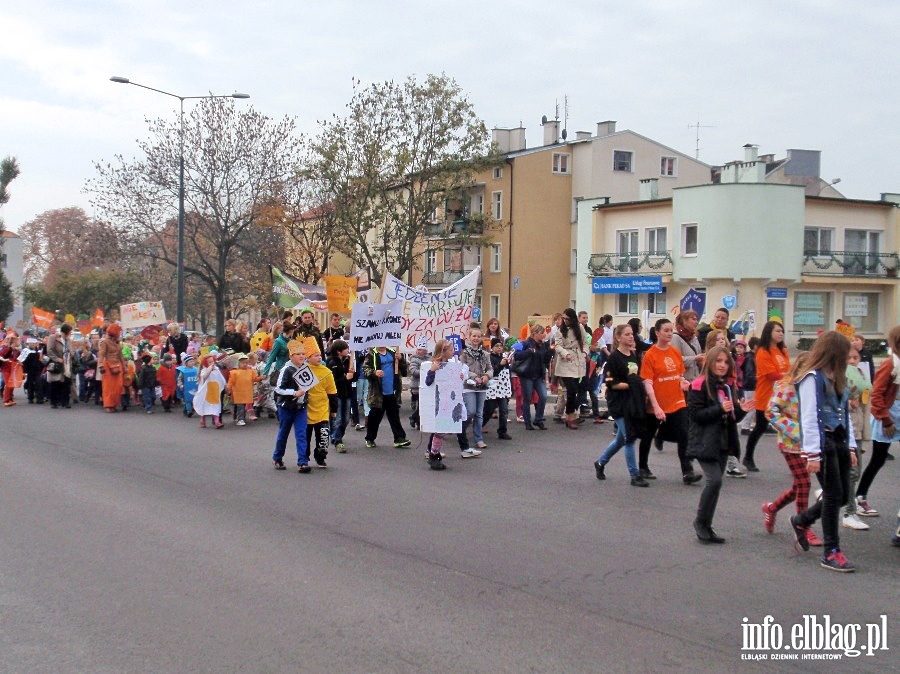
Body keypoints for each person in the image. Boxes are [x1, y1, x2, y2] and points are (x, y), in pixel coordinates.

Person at [789, 331, 858, 572]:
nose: (849, 360)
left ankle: (801, 520)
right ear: (834, 353)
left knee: (840, 496)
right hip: (822, 443)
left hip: (838, 440)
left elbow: (845, 414)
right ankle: (831, 551)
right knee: (832, 496)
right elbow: (808, 417)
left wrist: (850, 445)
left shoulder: (837, 377)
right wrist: (813, 454)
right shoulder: (812, 378)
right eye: (845, 355)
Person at [687, 345, 755, 543]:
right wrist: (719, 409)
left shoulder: (724, 386)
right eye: (718, 361)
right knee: (714, 480)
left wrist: (741, 410)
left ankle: (707, 525)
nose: (723, 365)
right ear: (709, 362)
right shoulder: (699, 384)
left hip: (723, 441)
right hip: (704, 441)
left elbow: (731, 416)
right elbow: (695, 415)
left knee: (716, 484)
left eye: (726, 362)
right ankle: (700, 523)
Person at [763, 352, 824, 545]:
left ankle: (772, 508)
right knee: (804, 483)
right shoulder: (786, 386)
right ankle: (803, 527)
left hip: (809, 445)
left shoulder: (815, 387)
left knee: (799, 485)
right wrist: (796, 431)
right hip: (791, 444)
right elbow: (770, 411)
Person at [639, 318, 702, 484]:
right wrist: (655, 406)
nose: (669, 333)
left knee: (684, 434)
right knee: (648, 435)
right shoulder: (650, 355)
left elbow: (679, 374)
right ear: (657, 332)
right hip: (658, 402)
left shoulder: (674, 352)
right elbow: (648, 382)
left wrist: (683, 382)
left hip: (677, 400)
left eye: (670, 330)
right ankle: (643, 466)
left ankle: (687, 472)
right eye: (665, 330)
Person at [593, 324, 649, 487]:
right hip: (618, 403)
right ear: (618, 338)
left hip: (632, 402)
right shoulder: (613, 358)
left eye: (632, 334)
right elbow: (610, 383)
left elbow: (637, 376)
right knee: (630, 438)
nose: (631, 337)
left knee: (620, 440)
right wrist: (631, 384)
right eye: (627, 334)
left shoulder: (633, 355)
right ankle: (635, 475)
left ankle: (600, 462)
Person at [855, 325, 900, 517]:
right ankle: (860, 497)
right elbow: (877, 394)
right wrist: (886, 420)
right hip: (889, 414)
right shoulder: (891, 364)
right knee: (878, 459)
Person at [743, 321, 791, 472]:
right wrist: (790, 376)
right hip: (767, 395)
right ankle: (748, 457)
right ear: (769, 332)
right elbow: (771, 374)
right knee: (760, 427)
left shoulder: (783, 350)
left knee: (788, 429)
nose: (781, 333)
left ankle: (794, 460)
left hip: (783, 396)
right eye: (777, 331)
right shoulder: (763, 351)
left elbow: (788, 370)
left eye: (782, 331)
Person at [271, 341, 311, 472]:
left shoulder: (306, 368)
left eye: (303, 354)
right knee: (284, 432)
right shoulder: (286, 369)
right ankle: (277, 458)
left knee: (301, 433)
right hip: (286, 407)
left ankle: (302, 462)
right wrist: (294, 392)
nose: (301, 356)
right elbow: (279, 389)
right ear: (291, 356)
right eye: (298, 354)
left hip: (301, 407)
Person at [363, 345, 411, 448]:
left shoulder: (393, 352)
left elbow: (405, 369)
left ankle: (399, 438)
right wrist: (374, 372)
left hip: (392, 391)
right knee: (375, 418)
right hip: (378, 393)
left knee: (394, 417)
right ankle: (370, 438)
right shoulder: (372, 354)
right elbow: (365, 369)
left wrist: (401, 359)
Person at [513, 324, 552, 431]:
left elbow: (546, 359)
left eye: (544, 332)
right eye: (541, 333)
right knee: (527, 399)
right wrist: (528, 352)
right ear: (534, 334)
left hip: (539, 375)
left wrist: (550, 351)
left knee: (543, 396)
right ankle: (527, 422)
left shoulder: (543, 345)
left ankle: (538, 419)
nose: (543, 335)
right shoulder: (525, 343)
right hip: (527, 375)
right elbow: (516, 355)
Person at [459, 327, 493, 448]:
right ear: (469, 337)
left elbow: (490, 368)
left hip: (482, 386)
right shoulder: (464, 353)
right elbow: (462, 368)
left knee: (479, 413)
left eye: (478, 336)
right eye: (474, 336)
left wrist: (487, 376)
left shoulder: (485, 354)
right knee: (471, 411)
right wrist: (474, 376)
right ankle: (461, 429)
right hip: (469, 386)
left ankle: (478, 438)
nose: (476, 338)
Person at [304, 344, 337, 467]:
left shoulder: (327, 372)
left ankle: (320, 457)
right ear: (308, 357)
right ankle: (304, 458)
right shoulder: (303, 369)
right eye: (316, 355)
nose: (319, 358)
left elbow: (332, 392)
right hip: (306, 409)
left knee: (323, 436)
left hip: (322, 409)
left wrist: (334, 410)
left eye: (320, 355)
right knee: (305, 438)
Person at [554, 308, 587, 430]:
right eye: (564, 318)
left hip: (577, 359)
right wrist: (564, 353)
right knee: (571, 389)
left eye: (567, 319)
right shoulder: (560, 331)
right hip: (565, 362)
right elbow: (557, 345)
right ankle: (570, 415)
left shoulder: (579, 328)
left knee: (576, 389)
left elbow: (585, 342)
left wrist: (585, 354)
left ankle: (569, 415)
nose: (565, 321)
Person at [482, 338, 513, 440]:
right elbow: (492, 372)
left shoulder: (504, 357)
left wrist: (510, 388)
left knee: (504, 410)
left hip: (503, 389)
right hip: (493, 389)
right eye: (496, 346)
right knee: (489, 411)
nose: (499, 348)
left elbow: (507, 375)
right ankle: (479, 426)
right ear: (492, 347)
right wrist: (500, 365)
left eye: (500, 346)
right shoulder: (490, 358)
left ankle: (502, 431)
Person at [327, 339, 354, 452]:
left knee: (346, 418)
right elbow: (332, 380)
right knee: (338, 418)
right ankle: (337, 439)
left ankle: (337, 435)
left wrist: (353, 373)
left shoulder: (348, 360)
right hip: (337, 394)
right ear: (339, 351)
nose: (348, 350)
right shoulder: (332, 362)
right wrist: (344, 377)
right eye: (345, 349)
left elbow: (352, 376)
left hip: (347, 393)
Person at [227, 354, 261, 426]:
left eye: (246, 362)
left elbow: (255, 379)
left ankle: (241, 418)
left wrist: (261, 378)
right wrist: (228, 388)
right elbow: (231, 382)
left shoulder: (250, 371)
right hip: (238, 392)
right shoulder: (234, 372)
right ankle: (240, 419)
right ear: (238, 363)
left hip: (247, 392)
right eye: (243, 363)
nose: (245, 364)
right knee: (240, 406)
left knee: (244, 405)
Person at [98, 324, 126, 413]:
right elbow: (101, 354)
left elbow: (120, 355)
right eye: (118, 332)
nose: (119, 334)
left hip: (118, 366)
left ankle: (115, 404)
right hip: (108, 367)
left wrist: (124, 366)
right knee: (108, 387)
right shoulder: (105, 342)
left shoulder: (117, 342)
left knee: (118, 387)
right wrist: (100, 365)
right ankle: (108, 405)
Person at [193, 353, 225, 429]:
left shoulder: (217, 369)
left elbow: (222, 379)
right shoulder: (204, 371)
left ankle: (217, 422)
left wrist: (226, 387)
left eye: (212, 361)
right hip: (206, 392)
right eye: (209, 362)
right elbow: (204, 377)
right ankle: (202, 420)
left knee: (216, 405)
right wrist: (209, 369)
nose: (212, 363)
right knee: (204, 405)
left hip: (214, 392)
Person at [46, 323, 74, 409]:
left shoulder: (68, 340)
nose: (70, 334)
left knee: (67, 382)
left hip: (67, 363)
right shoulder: (53, 337)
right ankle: (54, 402)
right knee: (56, 382)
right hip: (57, 363)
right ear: (65, 332)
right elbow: (49, 351)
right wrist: (57, 359)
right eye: (69, 332)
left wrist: (72, 354)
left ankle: (65, 401)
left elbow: (71, 350)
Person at [671, 310, 704, 381]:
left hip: (695, 381)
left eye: (697, 319)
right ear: (684, 321)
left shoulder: (694, 338)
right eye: (693, 319)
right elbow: (675, 360)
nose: (696, 322)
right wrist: (694, 358)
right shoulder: (675, 337)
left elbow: (699, 359)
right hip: (682, 382)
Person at [407, 339, 428, 430]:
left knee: (423, 405)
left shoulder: (429, 359)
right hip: (417, 385)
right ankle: (417, 420)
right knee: (421, 405)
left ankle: (415, 418)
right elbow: (413, 371)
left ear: (426, 351)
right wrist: (426, 371)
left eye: (422, 349)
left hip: (426, 385)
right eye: (418, 349)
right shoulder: (414, 359)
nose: (420, 351)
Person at [0, 333, 21, 406]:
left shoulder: (16, 351)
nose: (17, 342)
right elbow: (1, 356)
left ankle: (10, 399)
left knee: (12, 384)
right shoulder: (7, 349)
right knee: (8, 384)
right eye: (16, 340)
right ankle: (6, 400)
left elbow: (16, 359)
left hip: (13, 369)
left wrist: (19, 362)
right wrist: (4, 360)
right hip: (6, 369)